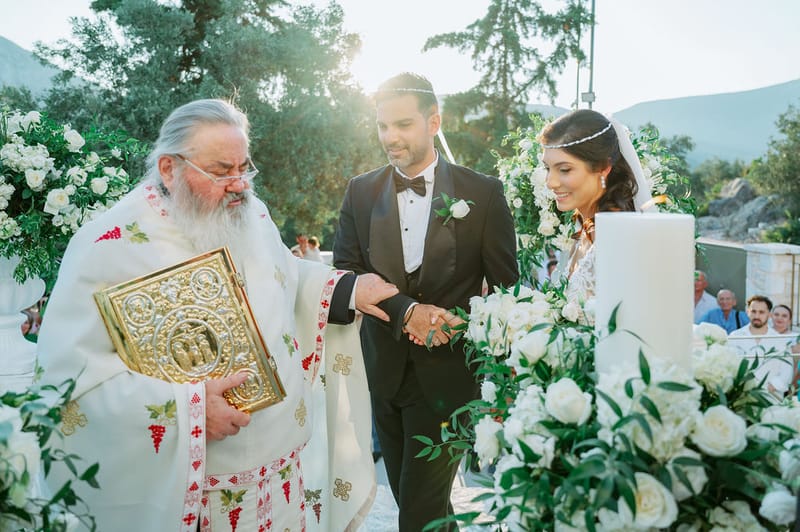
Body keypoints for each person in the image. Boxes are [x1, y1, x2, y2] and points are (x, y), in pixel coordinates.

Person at [37, 99, 400, 531]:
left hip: (282, 474)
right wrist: (189, 411)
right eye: (222, 171)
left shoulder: (251, 213)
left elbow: (283, 275)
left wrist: (349, 289)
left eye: (245, 167)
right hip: (196, 494)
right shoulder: (109, 245)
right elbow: (71, 382)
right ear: (169, 169)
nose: (240, 185)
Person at [333, 72, 518, 531]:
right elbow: (346, 275)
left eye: (403, 125)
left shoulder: (483, 193)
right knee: (421, 509)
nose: (390, 137)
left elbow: (506, 292)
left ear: (434, 122)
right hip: (384, 374)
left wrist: (492, 367)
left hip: (450, 381)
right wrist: (407, 313)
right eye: (382, 126)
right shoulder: (361, 191)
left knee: (418, 515)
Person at [541, 109, 655, 304]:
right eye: (547, 168)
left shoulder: (618, 239)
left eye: (564, 169)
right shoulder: (585, 227)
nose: (550, 182)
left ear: (603, 168)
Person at [729, 295, 794, 396]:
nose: (757, 316)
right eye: (753, 311)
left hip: (771, 397)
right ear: (747, 311)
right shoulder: (735, 337)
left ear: (769, 314)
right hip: (740, 395)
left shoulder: (780, 340)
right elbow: (729, 366)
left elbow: (787, 370)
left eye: (761, 312)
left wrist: (769, 388)